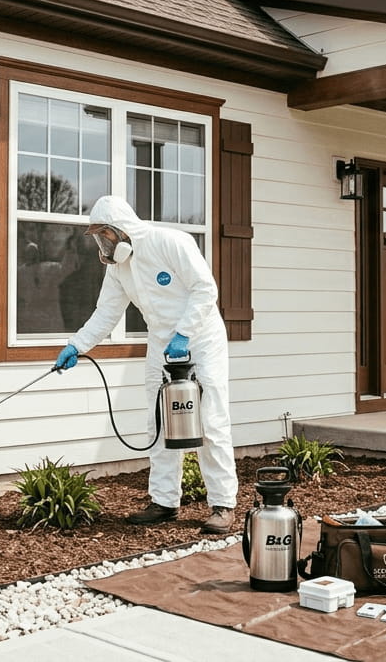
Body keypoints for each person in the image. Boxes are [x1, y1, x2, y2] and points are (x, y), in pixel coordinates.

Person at [55, 196, 239, 533]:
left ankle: (222, 504)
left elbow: (205, 289)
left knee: (210, 422)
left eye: (105, 235)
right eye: (98, 238)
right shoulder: (118, 269)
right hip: (160, 345)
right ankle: (164, 502)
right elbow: (106, 313)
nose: (103, 244)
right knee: (159, 423)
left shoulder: (170, 242)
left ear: (122, 229)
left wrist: (184, 333)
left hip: (201, 340)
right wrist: (77, 345)